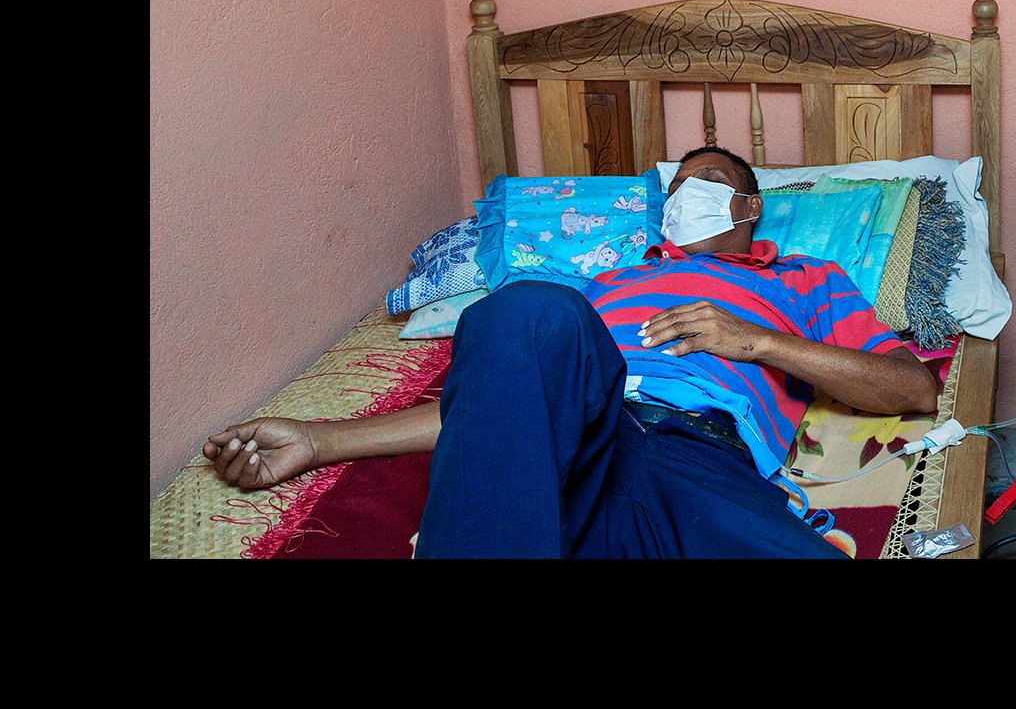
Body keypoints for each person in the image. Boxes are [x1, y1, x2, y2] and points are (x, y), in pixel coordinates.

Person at [201, 145, 941, 558]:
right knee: (523, 311)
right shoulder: (609, 279)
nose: (685, 191)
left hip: (700, 452)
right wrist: (319, 439)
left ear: (749, 206)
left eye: (707, 181)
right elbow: (499, 406)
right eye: (678, 184)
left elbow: (913, 390)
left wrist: (758, 342)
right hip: (569, 440)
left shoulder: (807, 279)